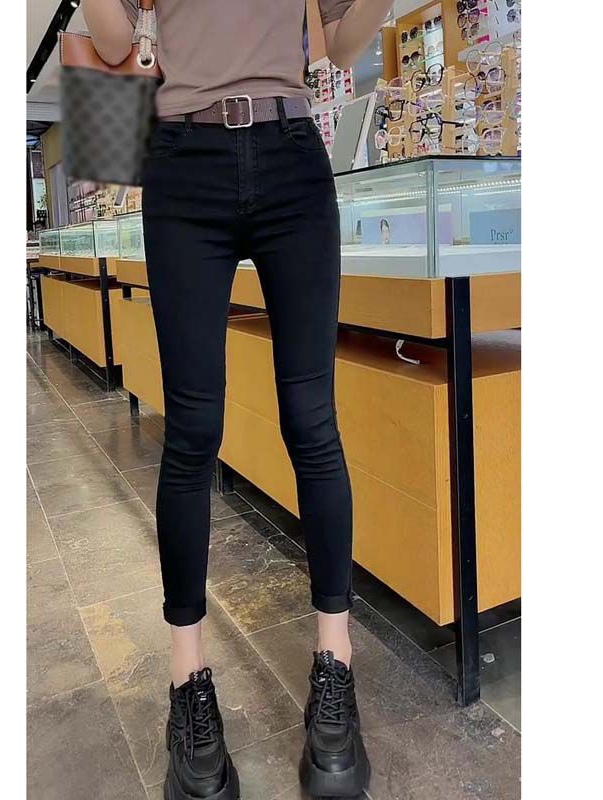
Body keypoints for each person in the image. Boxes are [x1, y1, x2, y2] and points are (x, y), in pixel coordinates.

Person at [82, 2, 394, 797]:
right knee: (192, 430)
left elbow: (340, 42)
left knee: (312, 421)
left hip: (291, 156)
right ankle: (188, 684)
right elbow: (113, 42)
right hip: (183, 162)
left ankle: (335, 669)